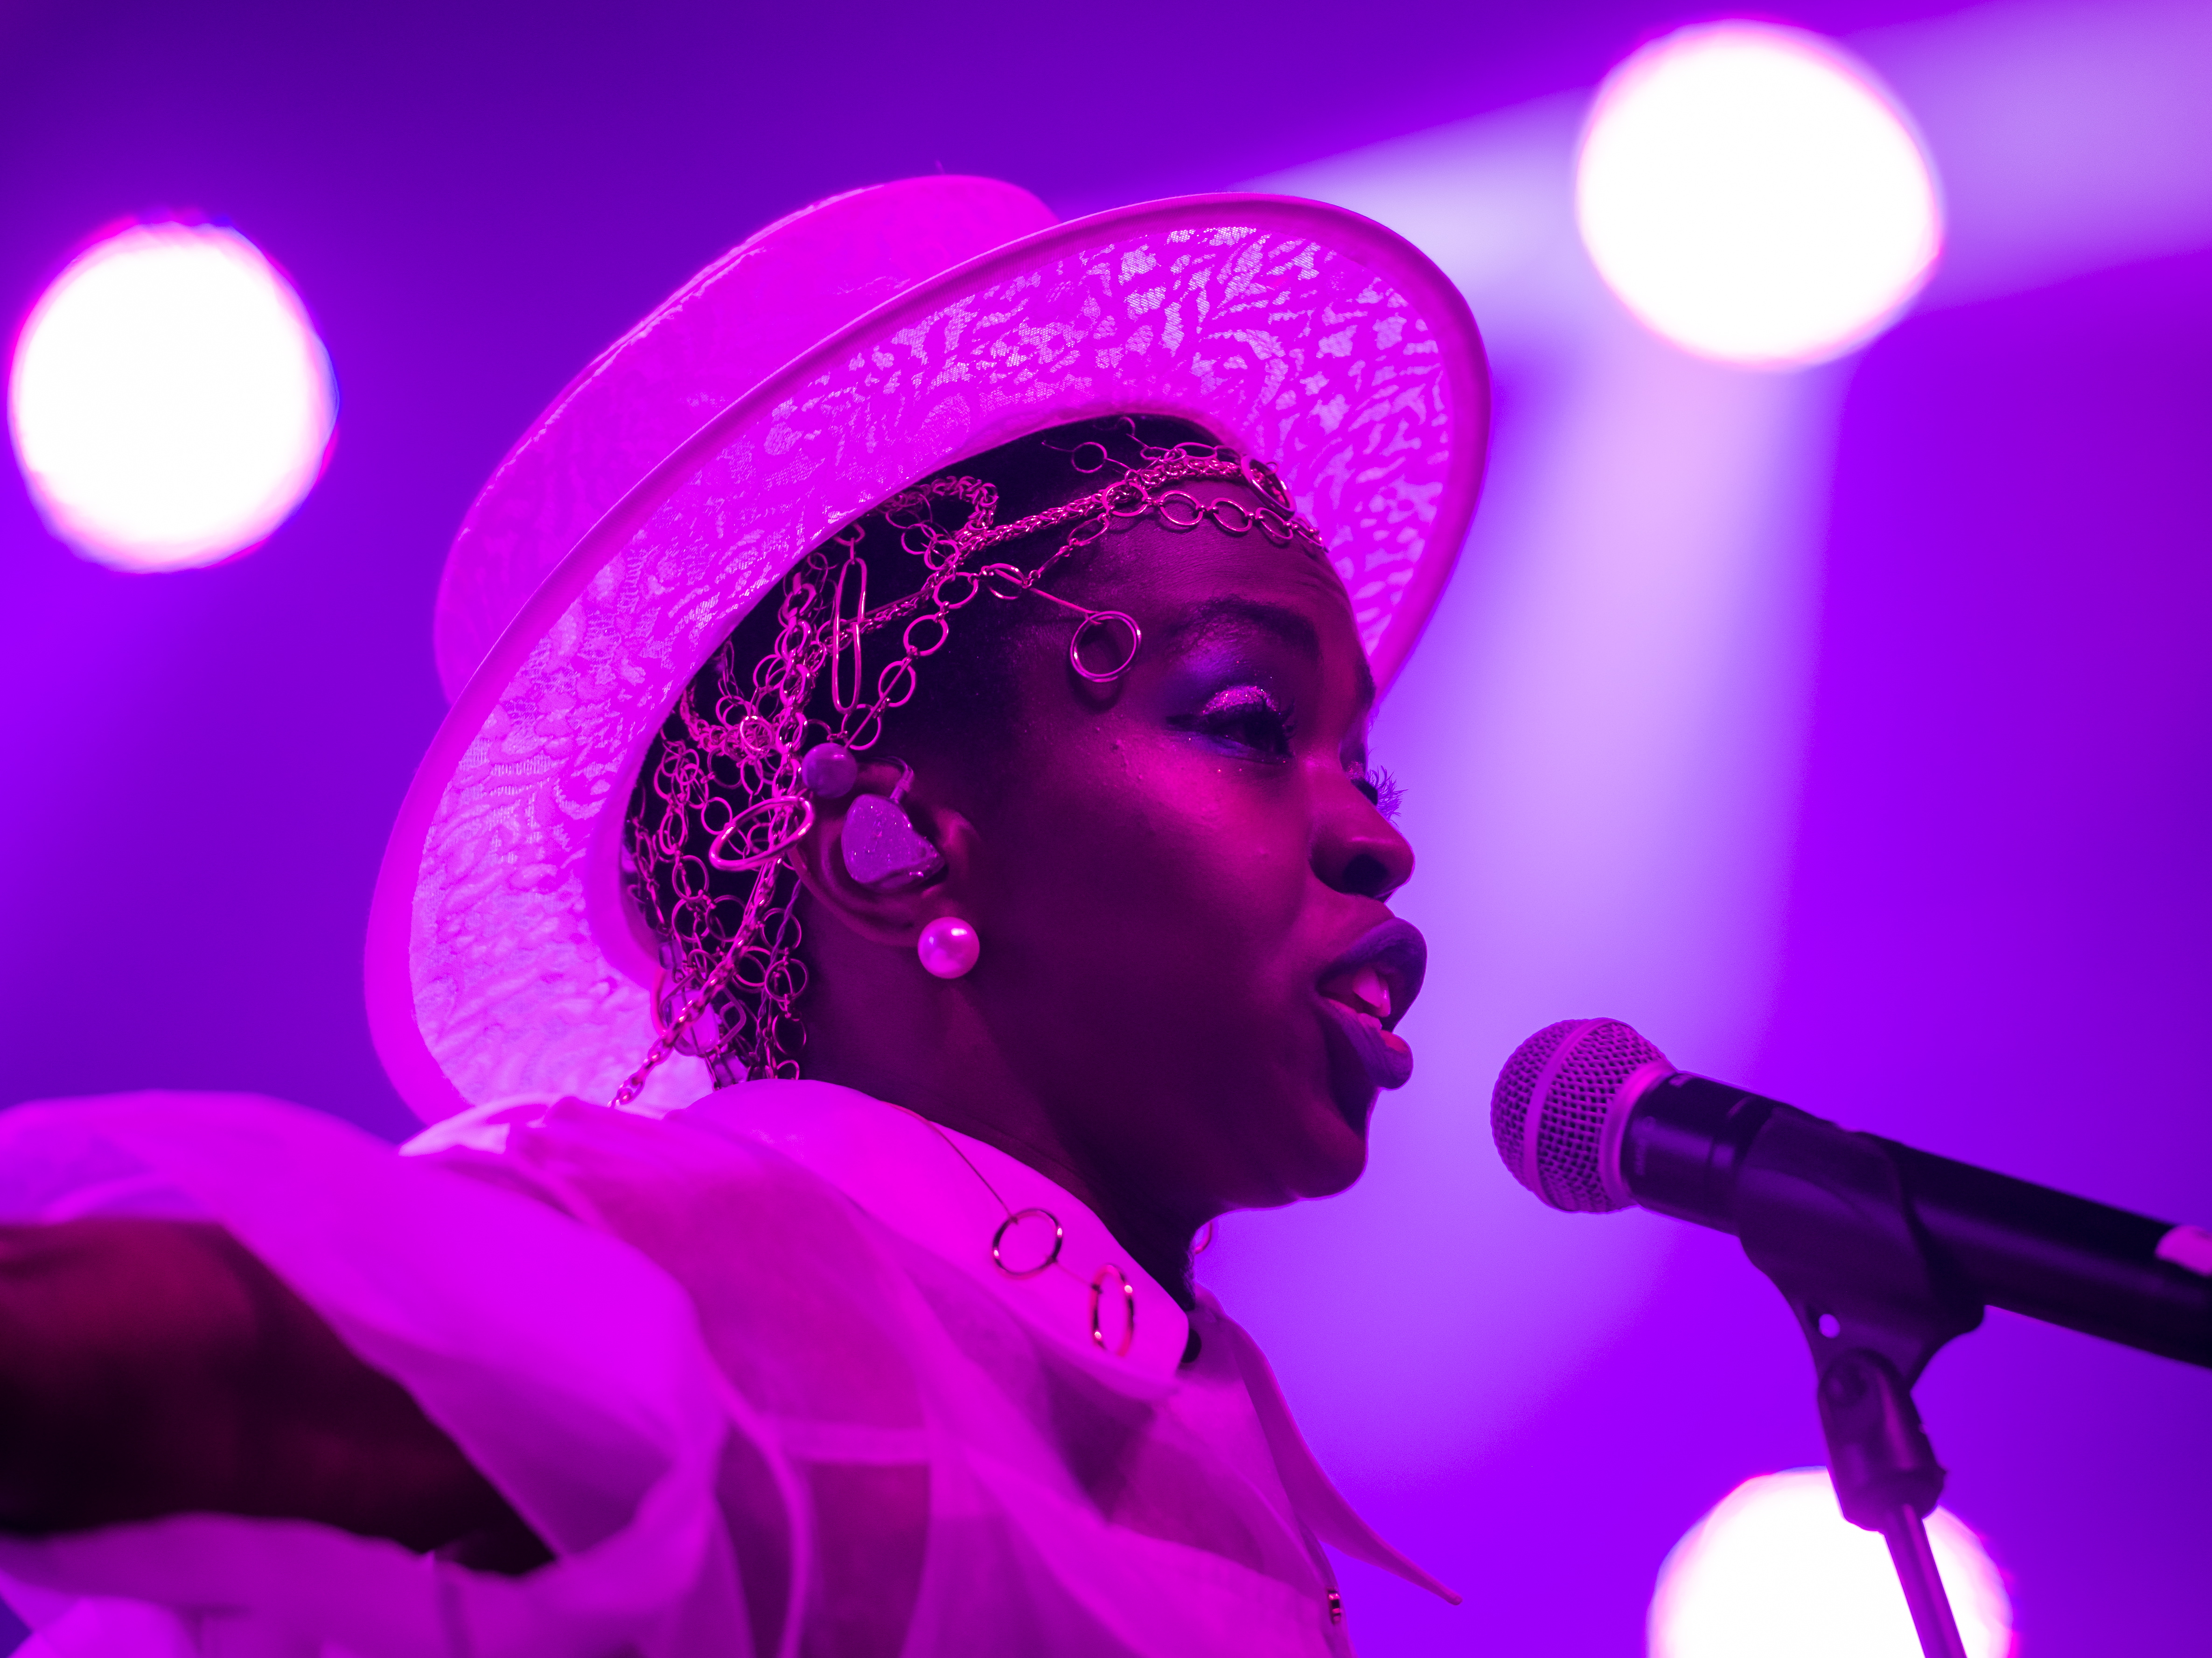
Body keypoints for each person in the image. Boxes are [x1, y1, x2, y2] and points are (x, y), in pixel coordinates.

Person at [0, 176, 1487, 1657]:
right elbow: (123, 1363)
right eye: (1244, 719)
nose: (1376, 836)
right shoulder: (722, 1273)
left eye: (1363, 762)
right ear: (897, 852)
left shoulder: (1160, 1410)